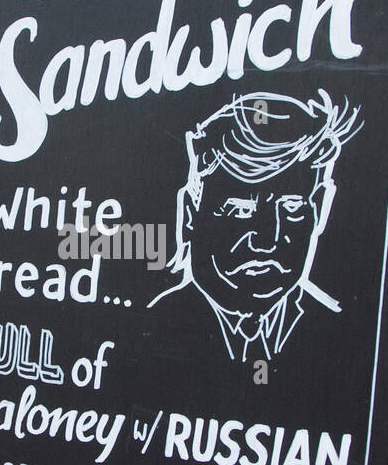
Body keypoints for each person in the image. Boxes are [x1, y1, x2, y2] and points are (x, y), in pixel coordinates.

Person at [149, 90, 360, 363]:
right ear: (190, 214)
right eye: (239, 209)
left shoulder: (349, 339)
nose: (265, 240)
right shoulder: (148, 329)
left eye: (291, 207)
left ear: (318, 210)